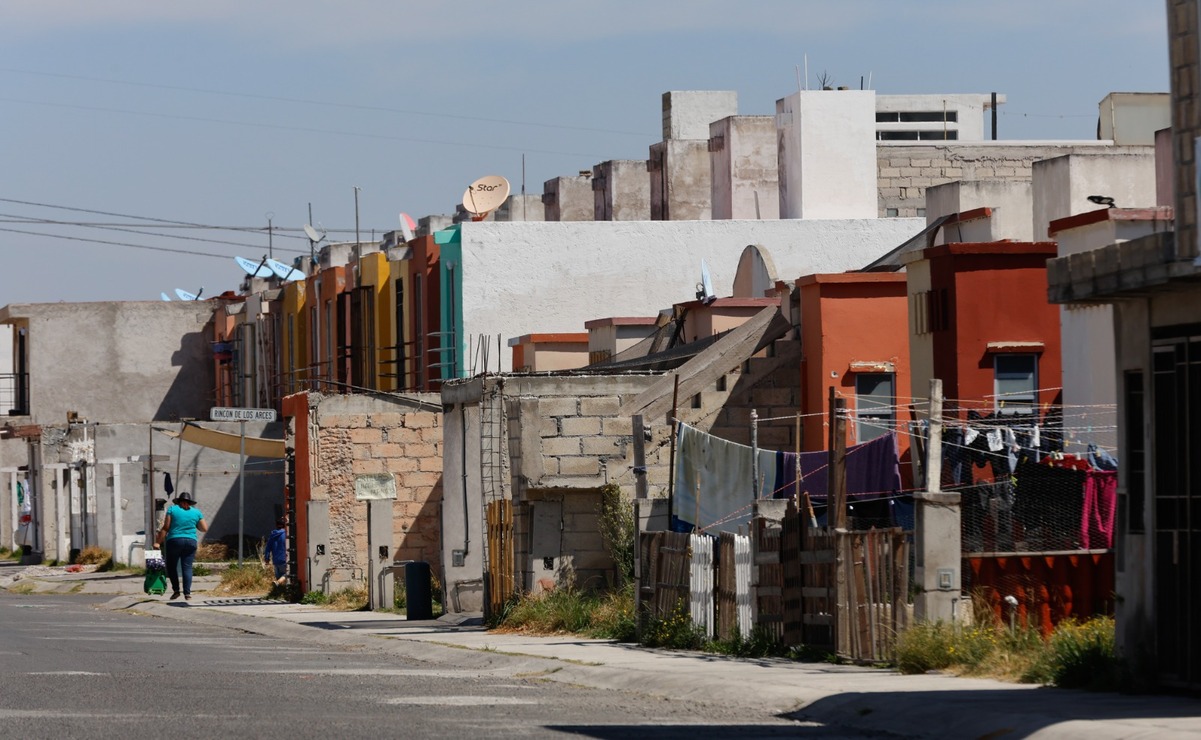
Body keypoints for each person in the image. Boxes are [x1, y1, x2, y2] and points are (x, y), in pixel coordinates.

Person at [154, 491, 207, 601]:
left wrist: (158, 542)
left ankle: (176, 591)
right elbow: (204, 528)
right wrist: (193, 523)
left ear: (179, 502)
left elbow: (166, 527)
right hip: (191, 541)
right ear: (190, 503)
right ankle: (187, 594)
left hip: (175, 541)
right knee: (187, 567)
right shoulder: (197, 512)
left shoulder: (172, 509)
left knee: (172, 566)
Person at [263, 517, 287, 586]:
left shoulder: (272, 535)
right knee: (287, 574)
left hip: (276, 561)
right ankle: (278, 583)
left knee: (279, 577)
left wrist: (267, 559)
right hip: (284, 559)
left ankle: (278, 587)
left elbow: (268, 548)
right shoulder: (286, 534)